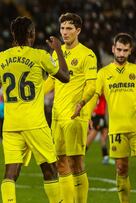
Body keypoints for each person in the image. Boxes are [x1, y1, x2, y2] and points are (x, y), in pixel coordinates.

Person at [0, 16, 70, 203]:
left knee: (10, 172)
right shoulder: (39, 55)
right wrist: (58, 49)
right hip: (35, 123)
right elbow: (65, 77)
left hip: (10, 124)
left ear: (13, 35)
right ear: (31, 35)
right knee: (49, 169)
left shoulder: (2, 57)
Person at [75, 33, 136, 203]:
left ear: (130, 51)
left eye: (125, 50)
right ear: (113, 49)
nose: (121, 54)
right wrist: (86, 113)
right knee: (121, 169)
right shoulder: (103, 73)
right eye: (119, 49)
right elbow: (94, 95)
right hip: (117, 129)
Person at [44, 13, 97, 203]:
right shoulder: (56, 53)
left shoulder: (87, 54)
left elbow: (92, 85)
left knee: (75, 163)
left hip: (75, 115)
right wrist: (36, 95)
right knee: (60, 163)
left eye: (69, 29)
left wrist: (82, 103)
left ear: (78, 31)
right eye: (62, 28)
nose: (64, 33)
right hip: (57, 115)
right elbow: (51, 80)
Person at [85, 94, 113, 165]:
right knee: (92, 136)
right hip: (98, 115)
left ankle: (106, 157)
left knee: (104, 135)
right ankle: (80, 156)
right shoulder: (100, 91)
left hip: (101, 115)